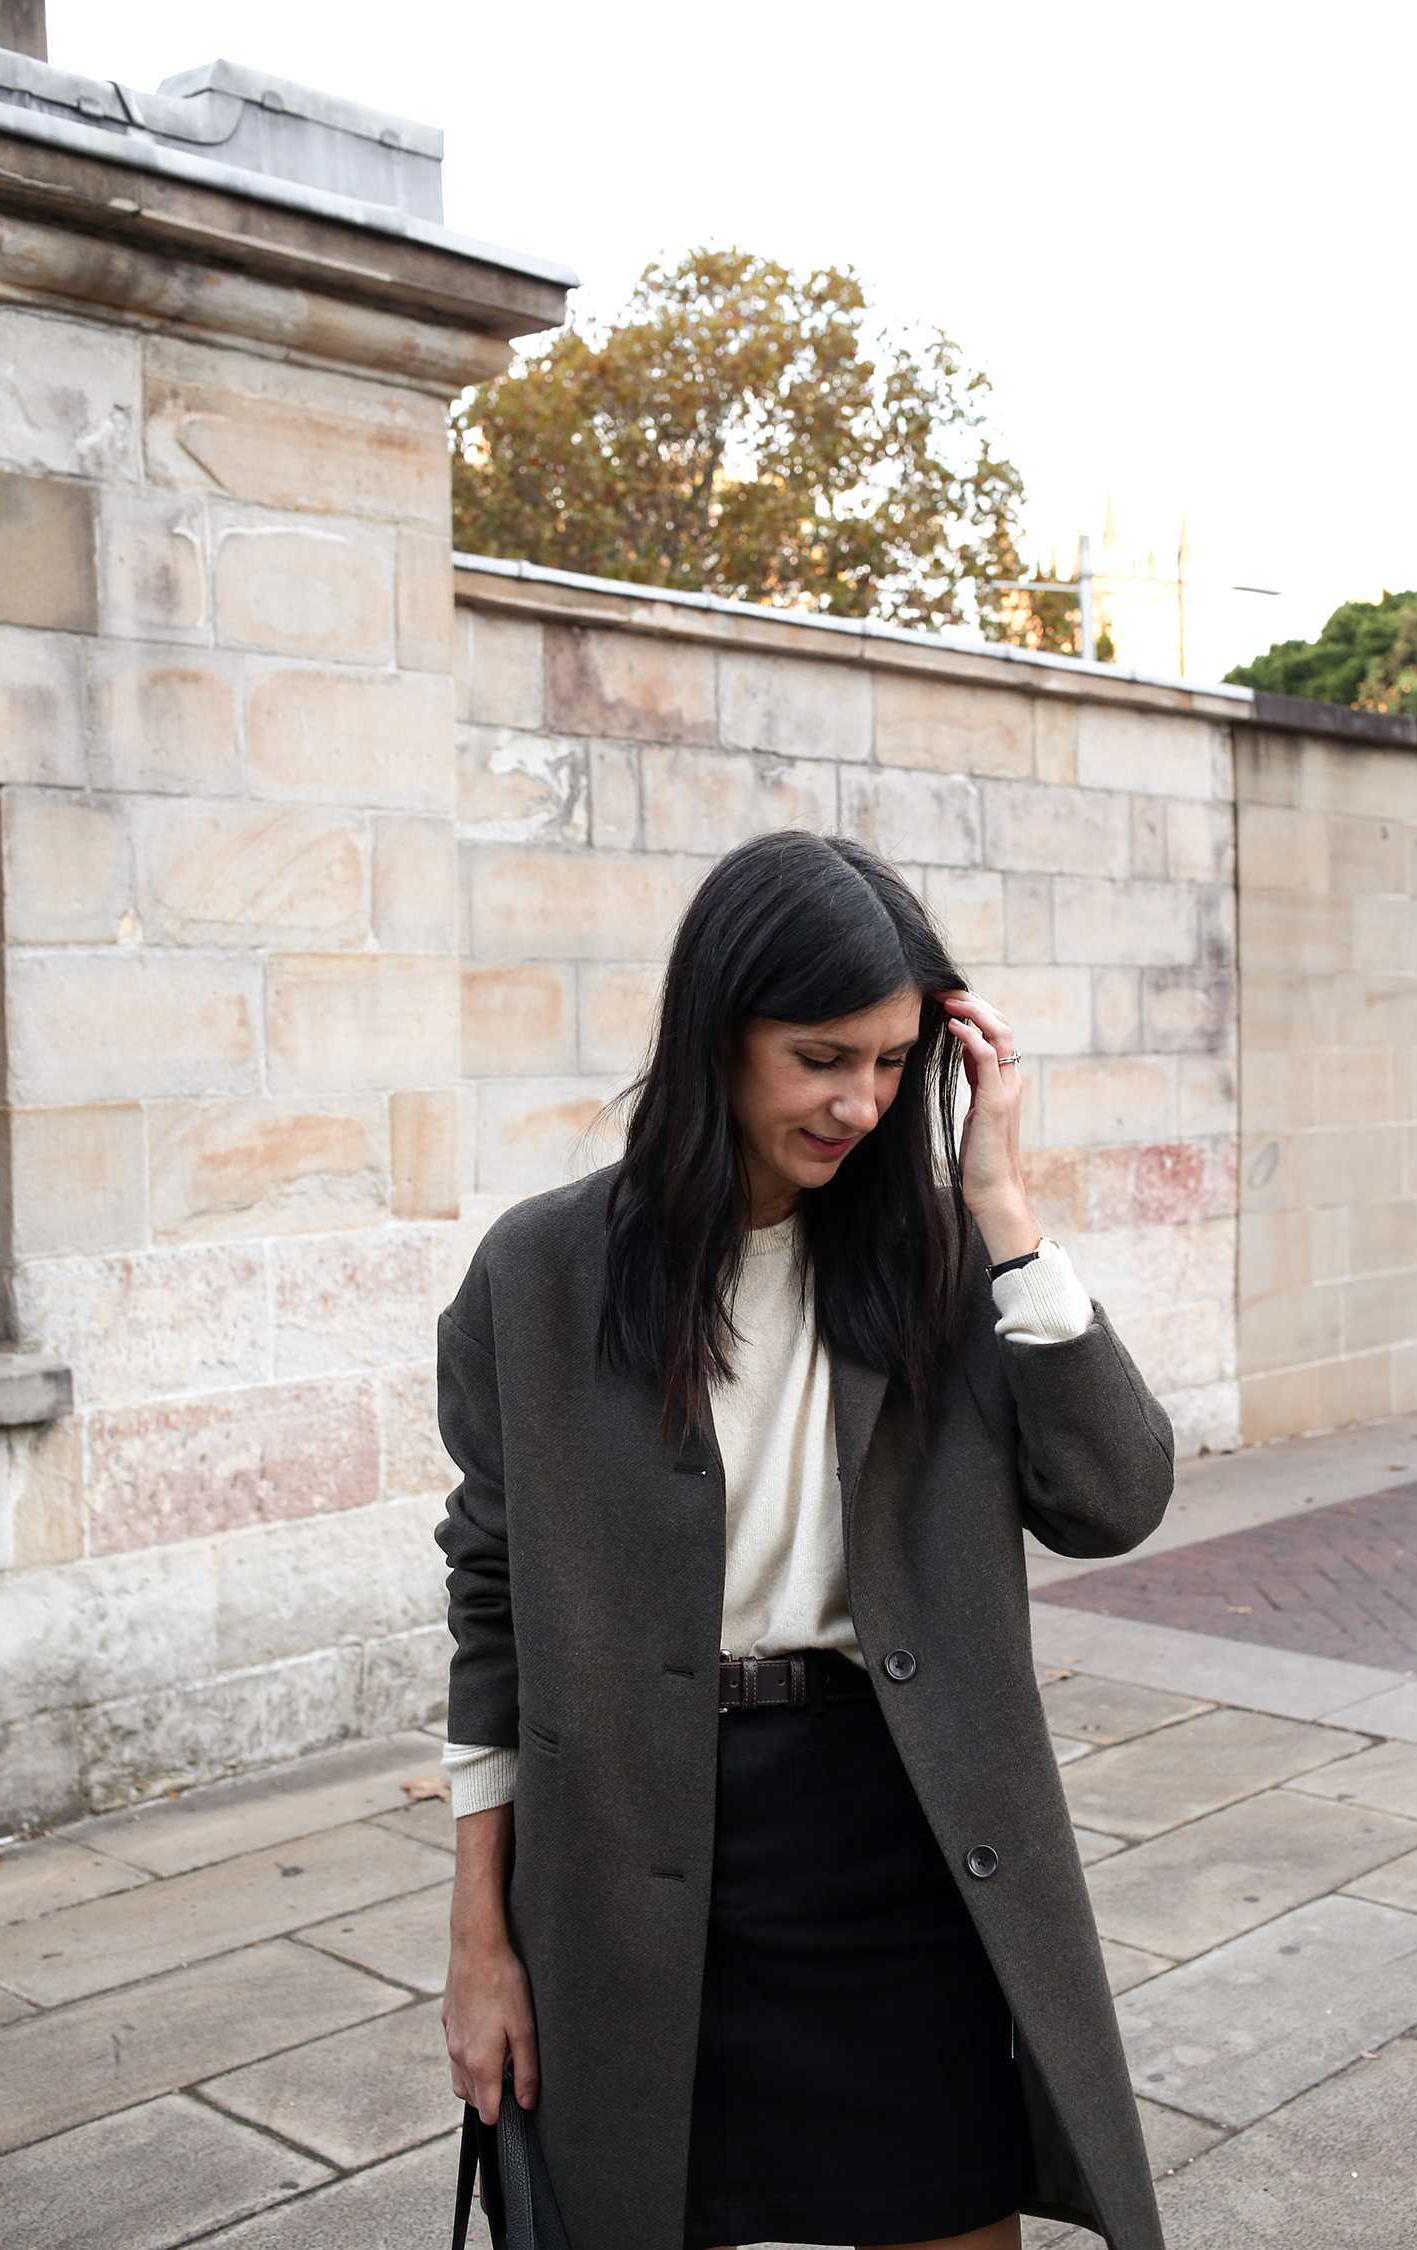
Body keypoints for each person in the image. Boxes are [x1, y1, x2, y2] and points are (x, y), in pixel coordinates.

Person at [436, 830, 1174, 2250]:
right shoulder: (536, 1276)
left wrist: (1008, 1214)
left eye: (897, 1062)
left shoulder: (945, 1268)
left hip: (892, 1842)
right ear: (720, 1031)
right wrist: (481, 1935)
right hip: (634, 1860)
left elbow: (1115, 1497)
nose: (862, 1101)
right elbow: (491, 1602)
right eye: (824, 1056)